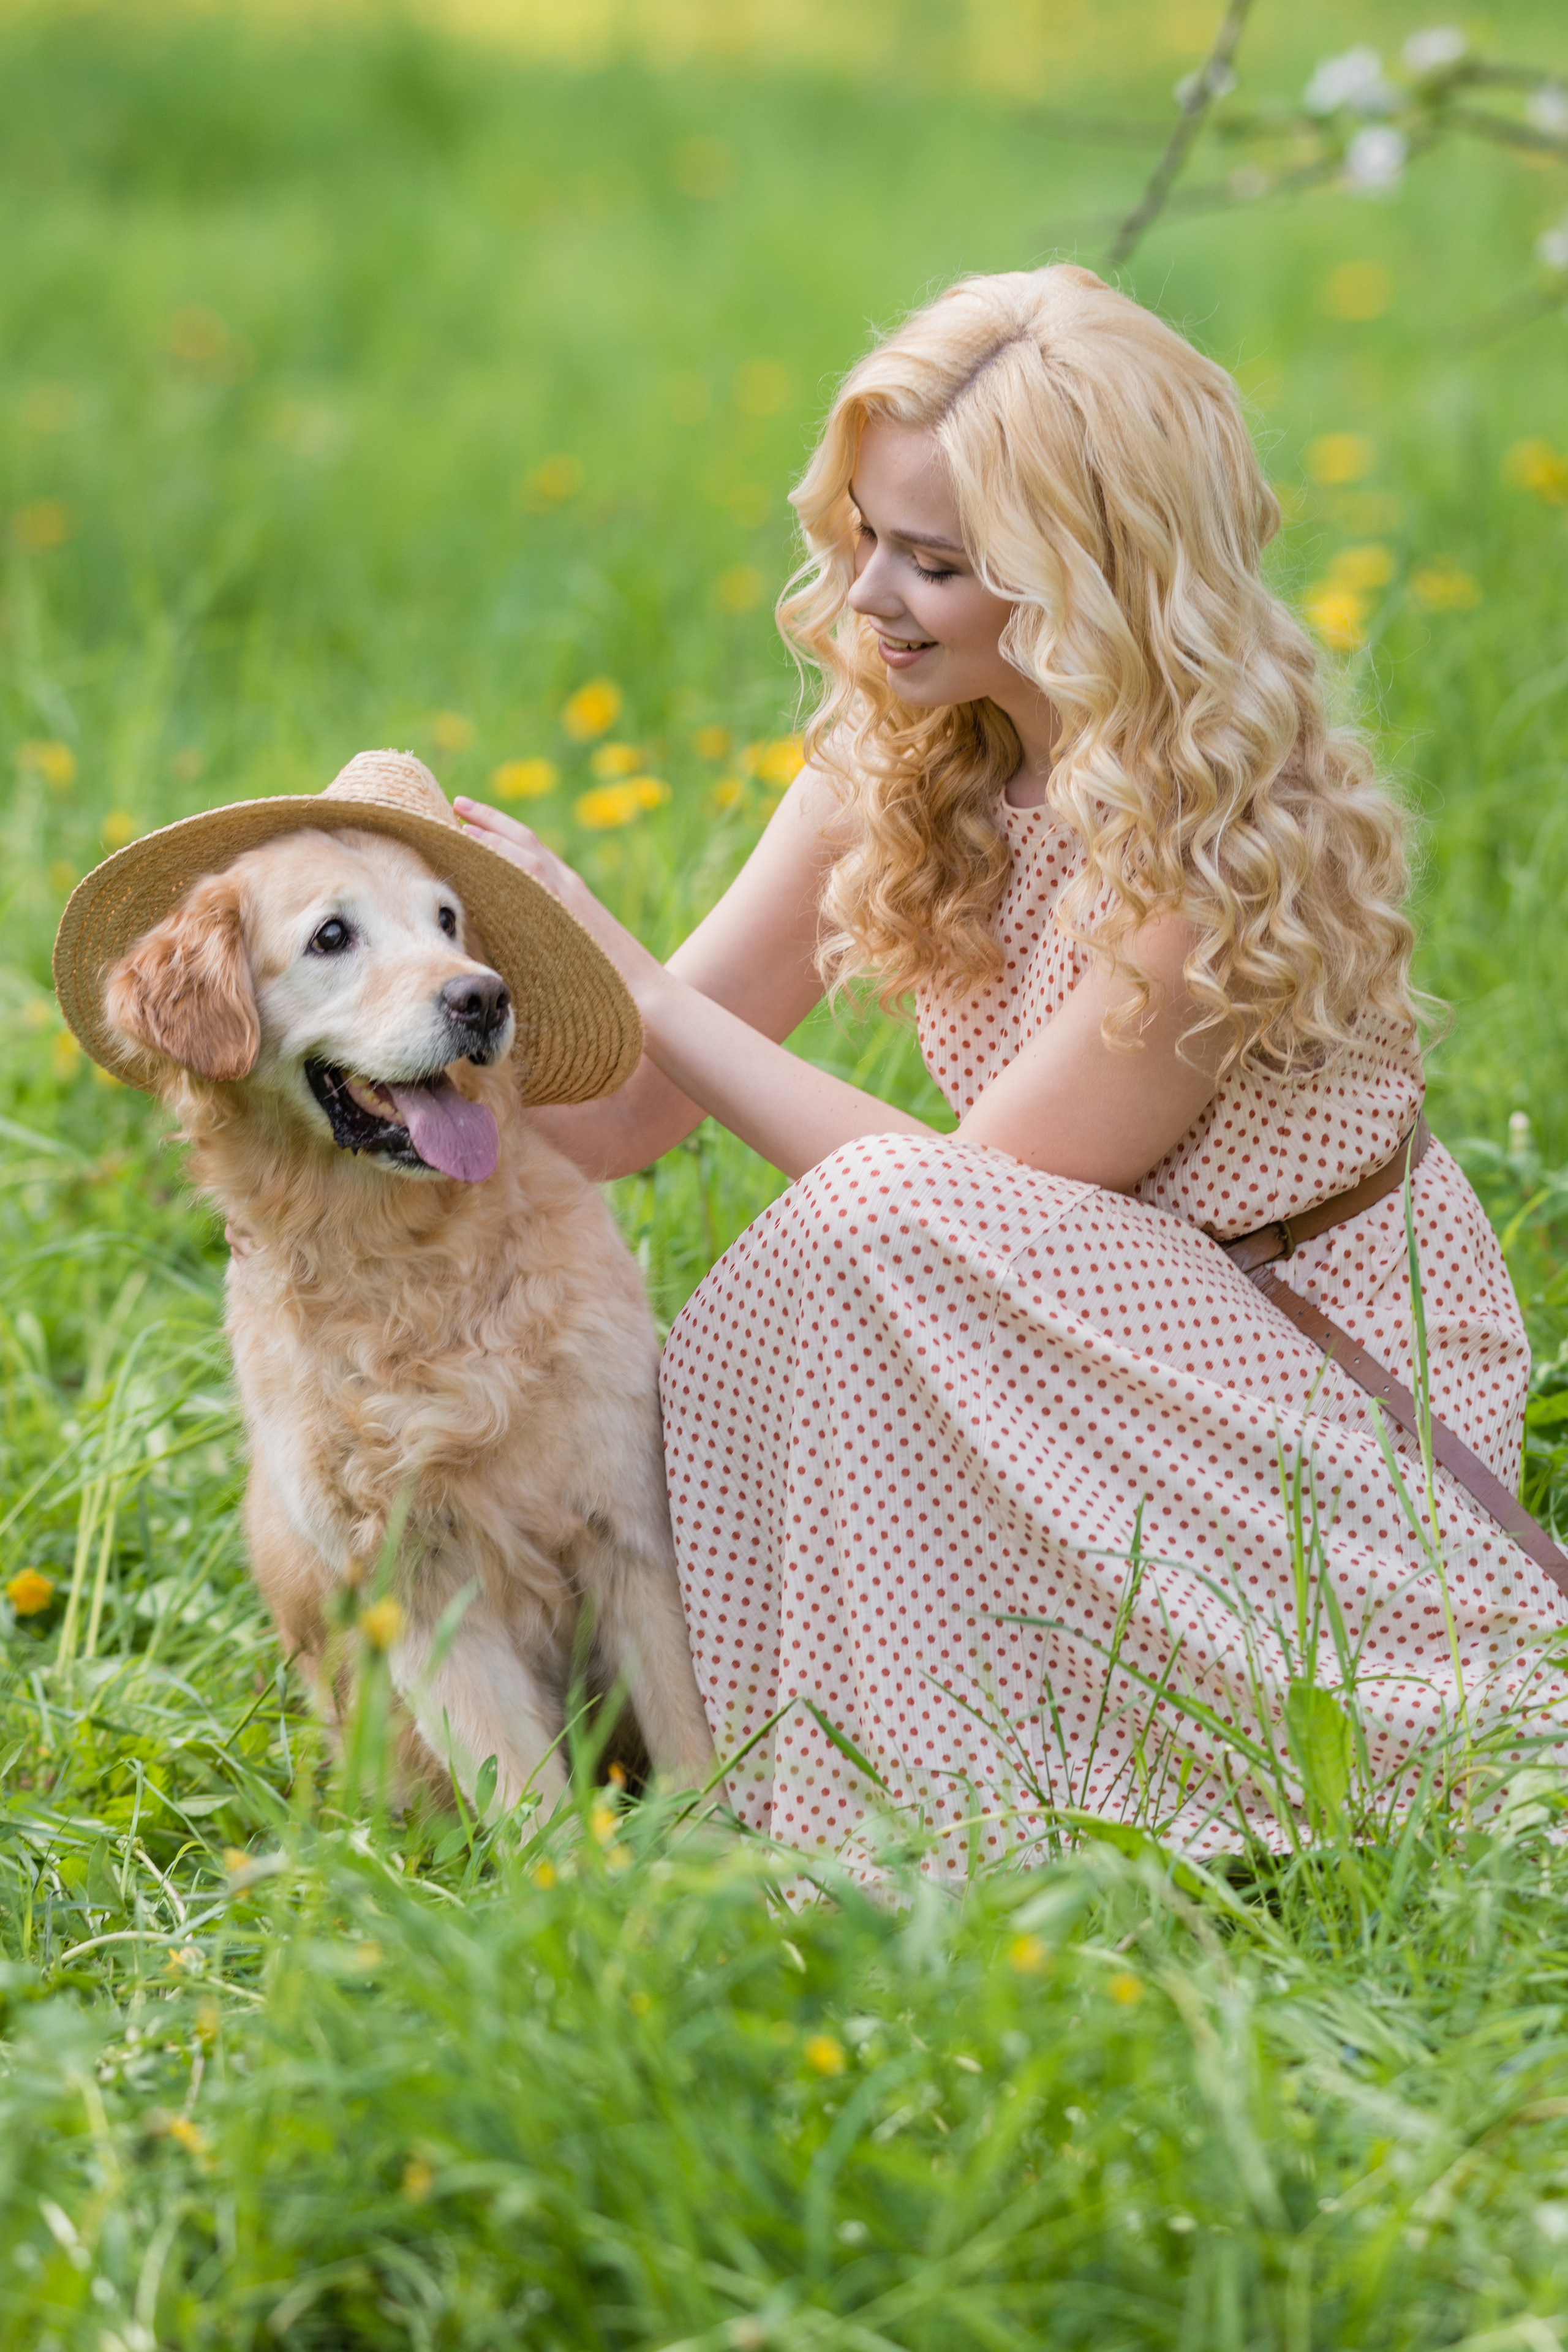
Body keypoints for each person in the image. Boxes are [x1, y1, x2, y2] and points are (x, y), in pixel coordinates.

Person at [458, 265, 1566, 1879]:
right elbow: (631, 1113)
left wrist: (635, 978)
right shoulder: (904, 757)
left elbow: (972, 1218)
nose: (868, 598)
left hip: (1300, 1363)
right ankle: (813, 1773)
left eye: (936, 562)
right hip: (1064, 1329)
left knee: (859, 1238)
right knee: (809, 1280)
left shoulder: (1225, 833)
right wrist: (438, 1016)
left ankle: (894, 1837)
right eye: (865, 538)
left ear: (1085, 576)